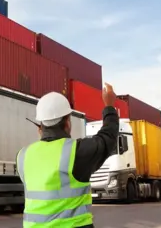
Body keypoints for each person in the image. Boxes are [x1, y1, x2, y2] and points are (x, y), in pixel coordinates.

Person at [16, 83, 120, 228]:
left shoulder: (23, 156)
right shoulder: (75, 152)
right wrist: (109, 106)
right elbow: (107, 138)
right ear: (67, 123)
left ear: (41, 127)